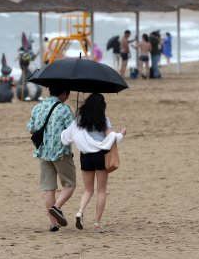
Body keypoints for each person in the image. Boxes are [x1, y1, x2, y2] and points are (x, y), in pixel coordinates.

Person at [60, 93, 127, 232]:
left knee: (88, 190)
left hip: (85, 157)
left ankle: (80, 212)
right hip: (100, 156)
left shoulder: (79, 120)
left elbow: (68, 135)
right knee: (101, 190)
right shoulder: (103, 119)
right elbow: (112, 137)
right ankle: (96, 222)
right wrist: (122, 133)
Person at [26, 86, 76, 233]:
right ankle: (57, 207)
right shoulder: (64, 109)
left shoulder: (37, 107)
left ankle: (54, 224)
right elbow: (71, 132)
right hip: (61, 152)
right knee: (70, 184)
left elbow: (31, 128)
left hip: (43, 151)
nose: (68, 96)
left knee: (49, 189)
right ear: (63, 92)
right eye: (68, 93)